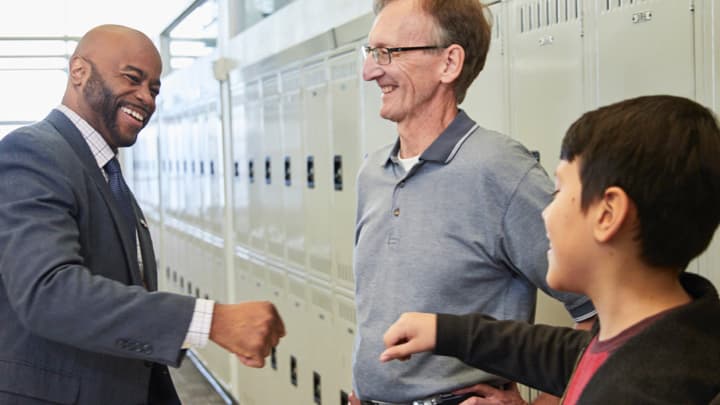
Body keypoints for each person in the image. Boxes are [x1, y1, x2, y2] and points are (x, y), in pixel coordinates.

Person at [0, 25, 285, 404]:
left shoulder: (102, 170)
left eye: (153, 88)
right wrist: (209, 321)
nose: (146, 98)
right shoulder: (34, 153)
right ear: (79, 72)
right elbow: (48, 292)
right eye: (132, 78)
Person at [380, 95, 720, 404]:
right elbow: (561, 353)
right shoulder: (655, 340)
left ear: (608, 214)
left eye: (558, 193)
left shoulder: (641, 391)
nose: (545, 212)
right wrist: (444, 331)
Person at [350, 1, 595, 404]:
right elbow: (374, 306)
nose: (370, 70)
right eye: (371, 52)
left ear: (449, 63)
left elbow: (601, 305)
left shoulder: (499, 171)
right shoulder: (372, 172)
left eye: (388, 53)